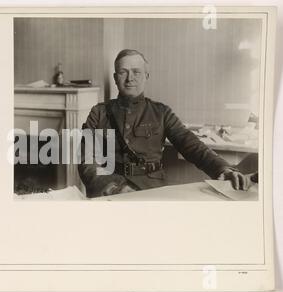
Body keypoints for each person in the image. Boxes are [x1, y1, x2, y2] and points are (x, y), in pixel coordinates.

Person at [78, 49, 250, 198]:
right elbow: (87, 161)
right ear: (115, 78)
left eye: (136, 72)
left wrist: (223, 169)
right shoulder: (98, 113)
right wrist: (114, 188)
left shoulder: (161, 112)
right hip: (110, 192)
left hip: (152, 191)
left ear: (146, 76)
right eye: (123, 72)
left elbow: (192, 145)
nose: (130, 78)